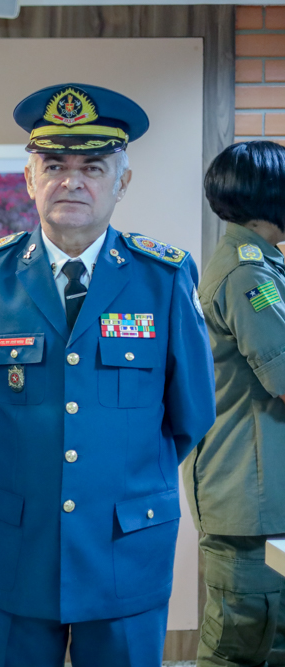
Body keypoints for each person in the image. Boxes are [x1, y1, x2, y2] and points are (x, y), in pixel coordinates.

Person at [0, 83, 216, 667]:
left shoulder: (163, 278)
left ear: (122, 181)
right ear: (29, 178)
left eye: (93, 166)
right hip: (18, 544)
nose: (72, 181)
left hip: (125, 547)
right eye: (54, 165)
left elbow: (191, 414)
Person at [184, 140, 285, 667]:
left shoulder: (259, 265)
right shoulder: (250, 274)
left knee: (272, 639)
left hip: (263, 492)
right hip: (249, 496)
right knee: (241, 642)